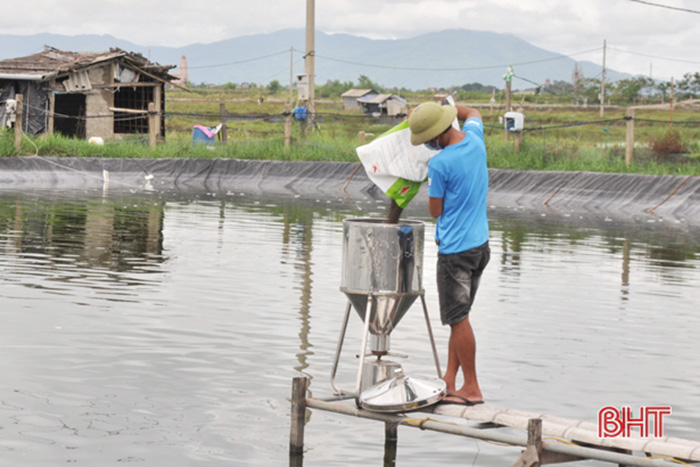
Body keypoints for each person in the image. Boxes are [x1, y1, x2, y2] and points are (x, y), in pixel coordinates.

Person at [408, 101, 490, 406]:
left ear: (439, 135)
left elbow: (435, 210)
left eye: (429, 139)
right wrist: (449, 104)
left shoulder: (440, 164)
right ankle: (450, 379)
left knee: (458, 320)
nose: (429, 144)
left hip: (455, 251)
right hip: (480, 246)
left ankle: (471, 387)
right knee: (461, 317)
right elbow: (472, 113)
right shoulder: (475, 139)